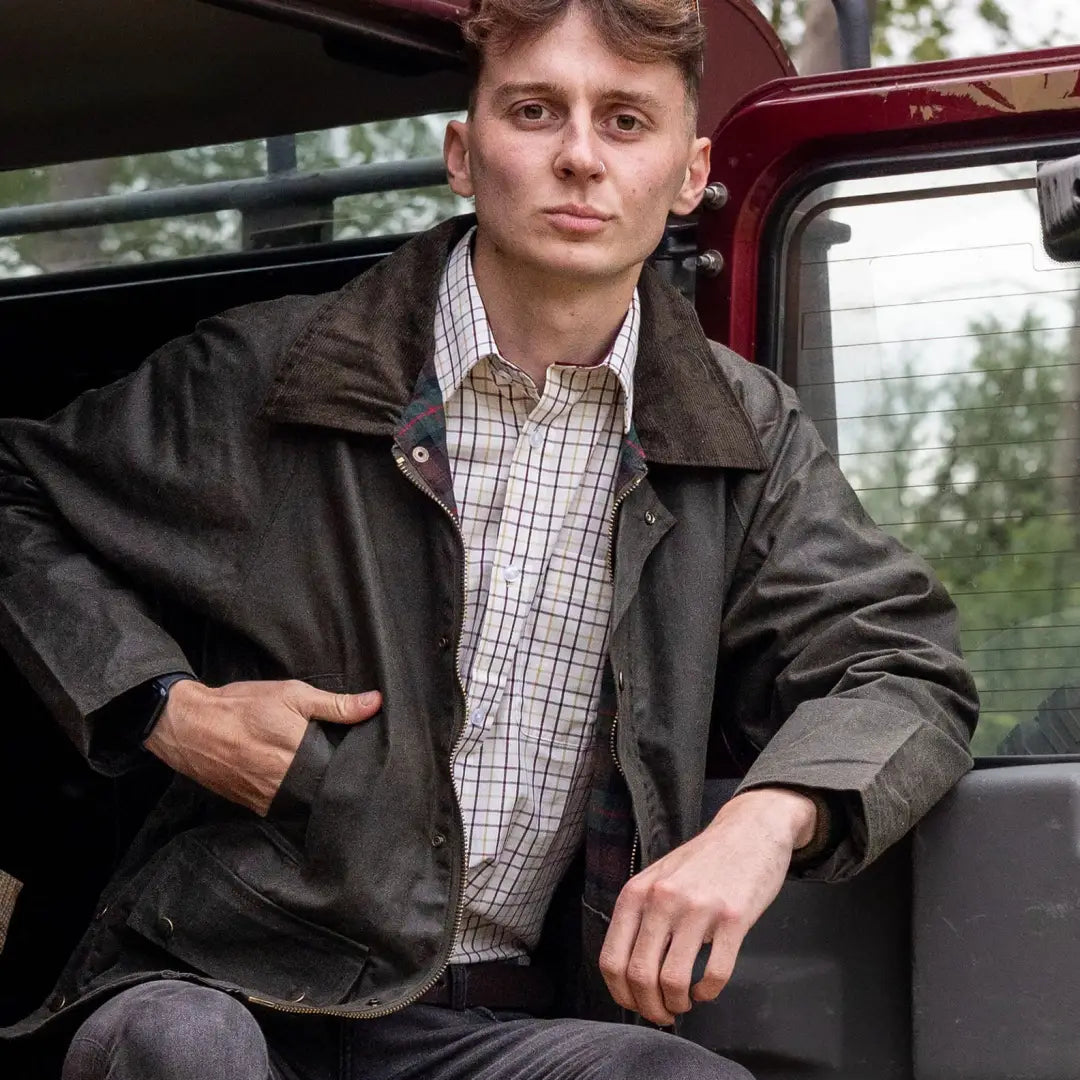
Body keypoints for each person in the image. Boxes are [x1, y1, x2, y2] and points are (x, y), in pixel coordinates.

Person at [0, 1, 978, 1077]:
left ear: (689, 171)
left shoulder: (745, 438)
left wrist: (766, 820)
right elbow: (13, 498)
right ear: (464, 155)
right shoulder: (270, 372)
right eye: (533, 111)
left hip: (492, 1024)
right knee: (174, 1042)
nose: (577, 158)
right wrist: (158, 705)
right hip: (230, 974)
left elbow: (902, 668)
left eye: (623, 121)